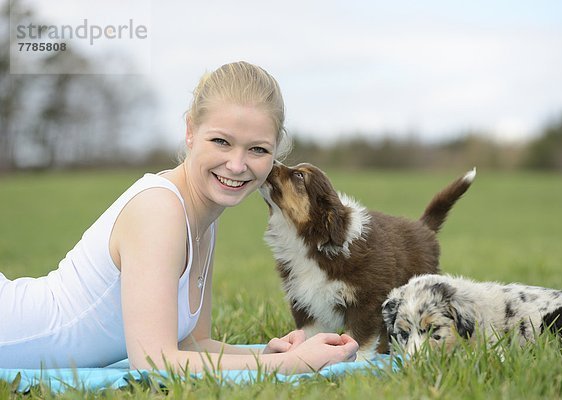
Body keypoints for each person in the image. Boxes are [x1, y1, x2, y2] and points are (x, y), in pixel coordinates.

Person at [0, 61, 358, 373]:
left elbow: (192, 345)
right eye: (221, 141)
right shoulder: (160, 211)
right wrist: (285, 367)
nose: (236, 164)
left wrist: (269, 354)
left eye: (258, 149)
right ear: (190, 130)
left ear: (275, 152)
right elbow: (153, 360)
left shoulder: (204, 217)